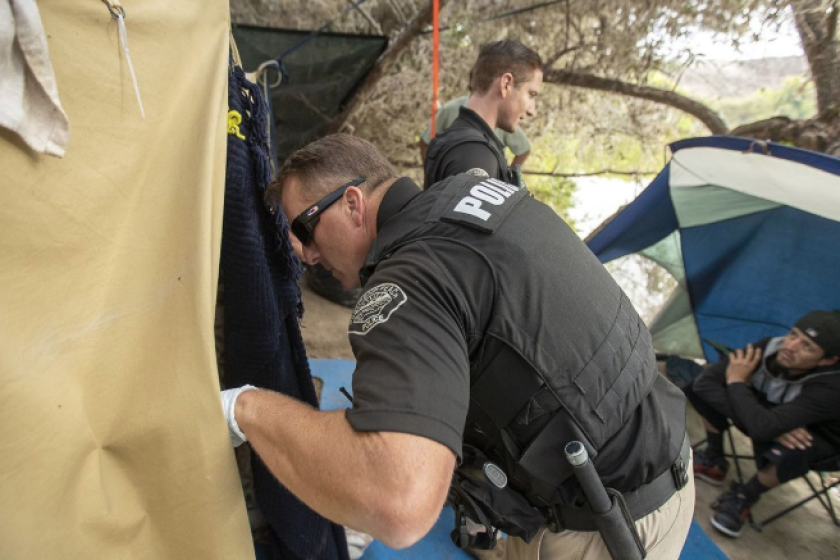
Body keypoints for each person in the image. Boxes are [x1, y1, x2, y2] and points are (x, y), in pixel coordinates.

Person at [223, 134, 693, 560]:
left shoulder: (409, 280)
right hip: (662, 459)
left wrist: (248, 409)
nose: (305, 254)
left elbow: (400, 504)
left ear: (352, 203)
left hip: (606, 526)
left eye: (304, 230)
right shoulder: (474, 193)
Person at [686, 311, 840, 537]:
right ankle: (714, 458)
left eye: (807, 347)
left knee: (798, 446)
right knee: (697, 389)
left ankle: (745, 496)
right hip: (777, 413)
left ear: (827, 360)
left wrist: (738, 382)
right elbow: (705, 384)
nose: (791, 346)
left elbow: (761, 425)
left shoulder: (832, 387)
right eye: (793, 335)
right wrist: (767, 421)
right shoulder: (770, 347)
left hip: (825, 441)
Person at [423, 40, 542, 189]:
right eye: (531, 94)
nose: (532, 110)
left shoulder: (467, 143)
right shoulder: (475, 155)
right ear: (506, 84)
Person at [418, 95, 531, 167]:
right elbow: (425, 142)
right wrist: (432, 173)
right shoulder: (449, 109)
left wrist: (507, 181)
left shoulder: (501, 116)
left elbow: (523, 149)